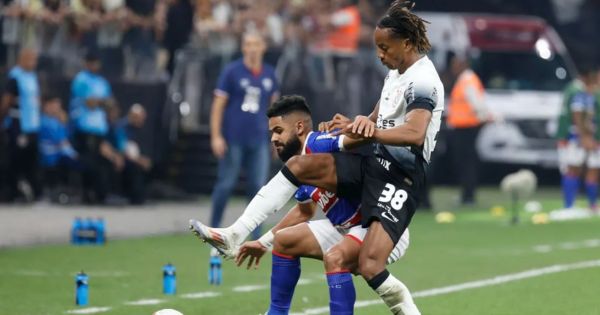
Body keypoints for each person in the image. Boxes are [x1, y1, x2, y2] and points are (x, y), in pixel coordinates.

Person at [191, 2, 442, 314]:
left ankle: (405, 307)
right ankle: (235, 234)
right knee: (296, 175)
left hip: (400, 178)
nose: (379, 54)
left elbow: (415, 133)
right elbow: (375, 119)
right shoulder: (395, 74)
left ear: (406, 43)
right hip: (375, 167)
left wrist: (366, 133)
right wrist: (356, 123)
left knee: (369, 266)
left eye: (384, 47)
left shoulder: (424, 79)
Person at [226, 95, 411, 315]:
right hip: (346, 229)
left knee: (336, 259)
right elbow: (305, 211)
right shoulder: (299, 171)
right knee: (284, 240)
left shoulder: (319, 142)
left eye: (278, 131)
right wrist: (264, 242)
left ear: (299, 127)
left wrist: (361, 123)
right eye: (272, 133)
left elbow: (357, 141)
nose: (274, 139)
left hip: (380, 227)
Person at [208, 31, 279, 240]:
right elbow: (218, 106)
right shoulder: (232, 72)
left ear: (263, 47)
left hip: (258, 139)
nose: (253, 48)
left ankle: (255, 233)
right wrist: (216, 136)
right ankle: (213, 227)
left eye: (256, 43)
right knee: (226, 184)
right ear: (243, 48)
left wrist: (277, 137)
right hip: (233, 137)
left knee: (258, 187)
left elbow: (274, 109)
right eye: (248, 44)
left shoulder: (269, 74)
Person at [70, 51, 116, 204]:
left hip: (100, 128)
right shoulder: (81, 79)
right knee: (89, 163)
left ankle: (100, 195)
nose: (94, 65)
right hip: (85, 127)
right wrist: (103, 103)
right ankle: (86, 194)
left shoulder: (102, 82)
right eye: (91, 62)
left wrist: (101, 102)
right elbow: (89, 103)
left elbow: (111, 104)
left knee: (101, 162)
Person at [445, 52, 491, 206]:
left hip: (467, 128)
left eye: (455, 65)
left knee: (466, 162)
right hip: (463, 127)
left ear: (463, 64)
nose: (453, 68)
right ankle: (466, 195)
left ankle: (469, 196)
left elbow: (477, 103)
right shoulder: (465, 79)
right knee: (464, 162)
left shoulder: (467, 80)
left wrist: (484, 117)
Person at [555, 64, 600, 211]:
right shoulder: (579, 91)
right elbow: (578, 115)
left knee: (590, 168)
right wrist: (584, 137)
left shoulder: (575, 89)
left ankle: (590, 205)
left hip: (578, 136)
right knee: (574, 168)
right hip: (574, 137)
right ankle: (569, 207)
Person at [1, 48, 42, 202]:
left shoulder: (32, 76)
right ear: (21, 59)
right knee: (14, 158)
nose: (33, 63)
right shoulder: (15, 77)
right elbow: (7, 101)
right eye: (30, 59)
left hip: (32, 125)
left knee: (31, 159)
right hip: (18, 123)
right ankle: (11, 192)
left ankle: (33, 192)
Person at [107, 103, 152, 204]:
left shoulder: (138, 129)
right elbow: (123, 148)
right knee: (134, 168)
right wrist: (140, 161)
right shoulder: (121, 127)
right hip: (117, 157)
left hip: (128, 157)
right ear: (132, 116)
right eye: (140, 118)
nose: (142, 121)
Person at [39, 95, 78, 202]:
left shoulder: (57, 122)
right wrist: (73, 155)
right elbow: (61, 142)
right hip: (49, 156)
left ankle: (69, 192)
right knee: (75, 162)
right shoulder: (44, 121)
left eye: (59, 106)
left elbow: (66, 138)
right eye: (55, 106)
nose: (58, 109)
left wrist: (64, 123)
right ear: (47, 106)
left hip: (59, 155)